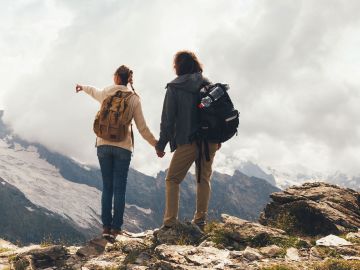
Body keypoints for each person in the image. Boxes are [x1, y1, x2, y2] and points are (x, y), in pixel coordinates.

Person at [76, 65, 157, 238]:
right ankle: (116, 229)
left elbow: (93, 91)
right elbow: (142, 128)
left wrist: (82, 87)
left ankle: (105, 228)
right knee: (120, 188)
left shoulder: (107, 92)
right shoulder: (134, 99)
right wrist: (156, 145)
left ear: (116, 78)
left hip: (103, 145)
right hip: (123, 147)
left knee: (107, 187)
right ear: (128, 79)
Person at [156, 51, 220, 231]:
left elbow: (168, 120)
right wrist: (218, 137)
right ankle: (200, 221)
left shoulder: (175, 87)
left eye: (175, 64)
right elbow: (217, 113)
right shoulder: (209, 84)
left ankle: (170, 222)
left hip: (188, 140)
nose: (173, 67)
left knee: (173, 179)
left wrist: (161, 144)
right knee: (203, 178)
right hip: (210, 140)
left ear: (179, 66)